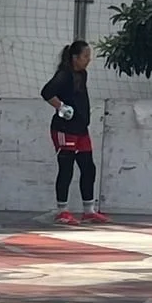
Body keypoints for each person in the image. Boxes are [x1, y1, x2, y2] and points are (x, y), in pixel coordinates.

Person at [41, 40, 107, 225]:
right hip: (64, 129)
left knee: (88, 167)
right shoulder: (64, 75)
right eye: (85, 56)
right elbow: (46, 92)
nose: (88, 60)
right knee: (66, 168)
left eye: (89, 56)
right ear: (75, 57)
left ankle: (89, 211)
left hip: (80, 129)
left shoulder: (82, 74)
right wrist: (61, 107)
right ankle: (62, 211)